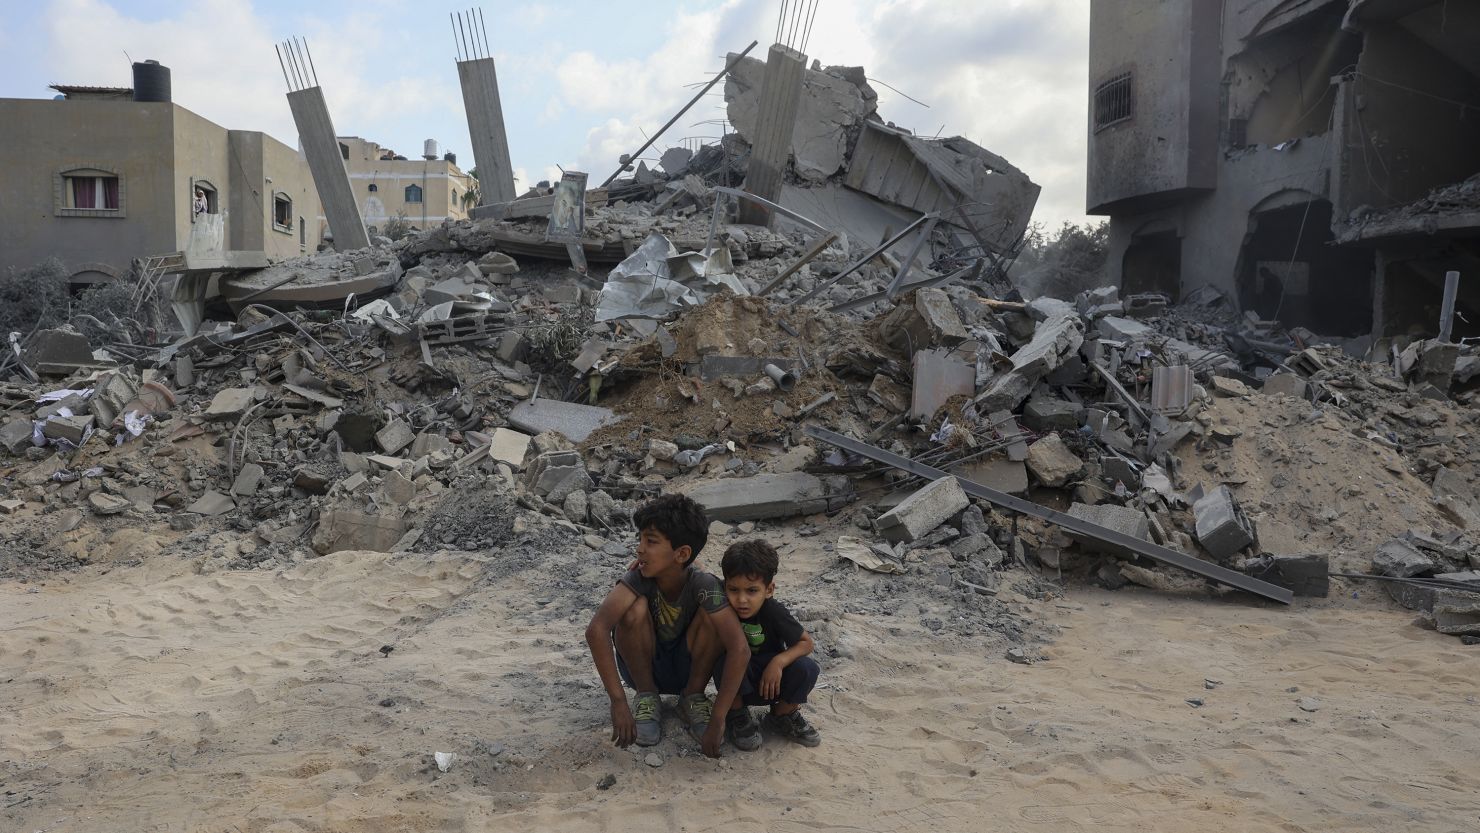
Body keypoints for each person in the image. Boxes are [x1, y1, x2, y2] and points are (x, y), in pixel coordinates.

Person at [584, 494, 751, 758]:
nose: (639, 549)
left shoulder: (703, 584)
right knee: (632, 608)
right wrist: (618, 701)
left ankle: (693, 698)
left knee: (716, 615)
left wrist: (719, 717)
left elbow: (739, 648)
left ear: (682, 553)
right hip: (646, 668)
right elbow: (597, 629)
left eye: (650, 542)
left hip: (689, 670)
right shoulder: (638, 577)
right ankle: (647, 697)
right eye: (640, 539)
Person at [716, 539, 822, 750]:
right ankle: (737, 716)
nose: (742, 599)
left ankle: (782, 714)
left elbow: (806, 643)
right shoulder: (721, 608)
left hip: (772, 681)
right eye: (734, 589)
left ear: (769, 589)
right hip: (738, 681)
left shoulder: (774, 611)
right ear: (724, 586)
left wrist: (778, 662)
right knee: (722, 661)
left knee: (807, 668)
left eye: (752, 591)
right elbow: (698, 579)